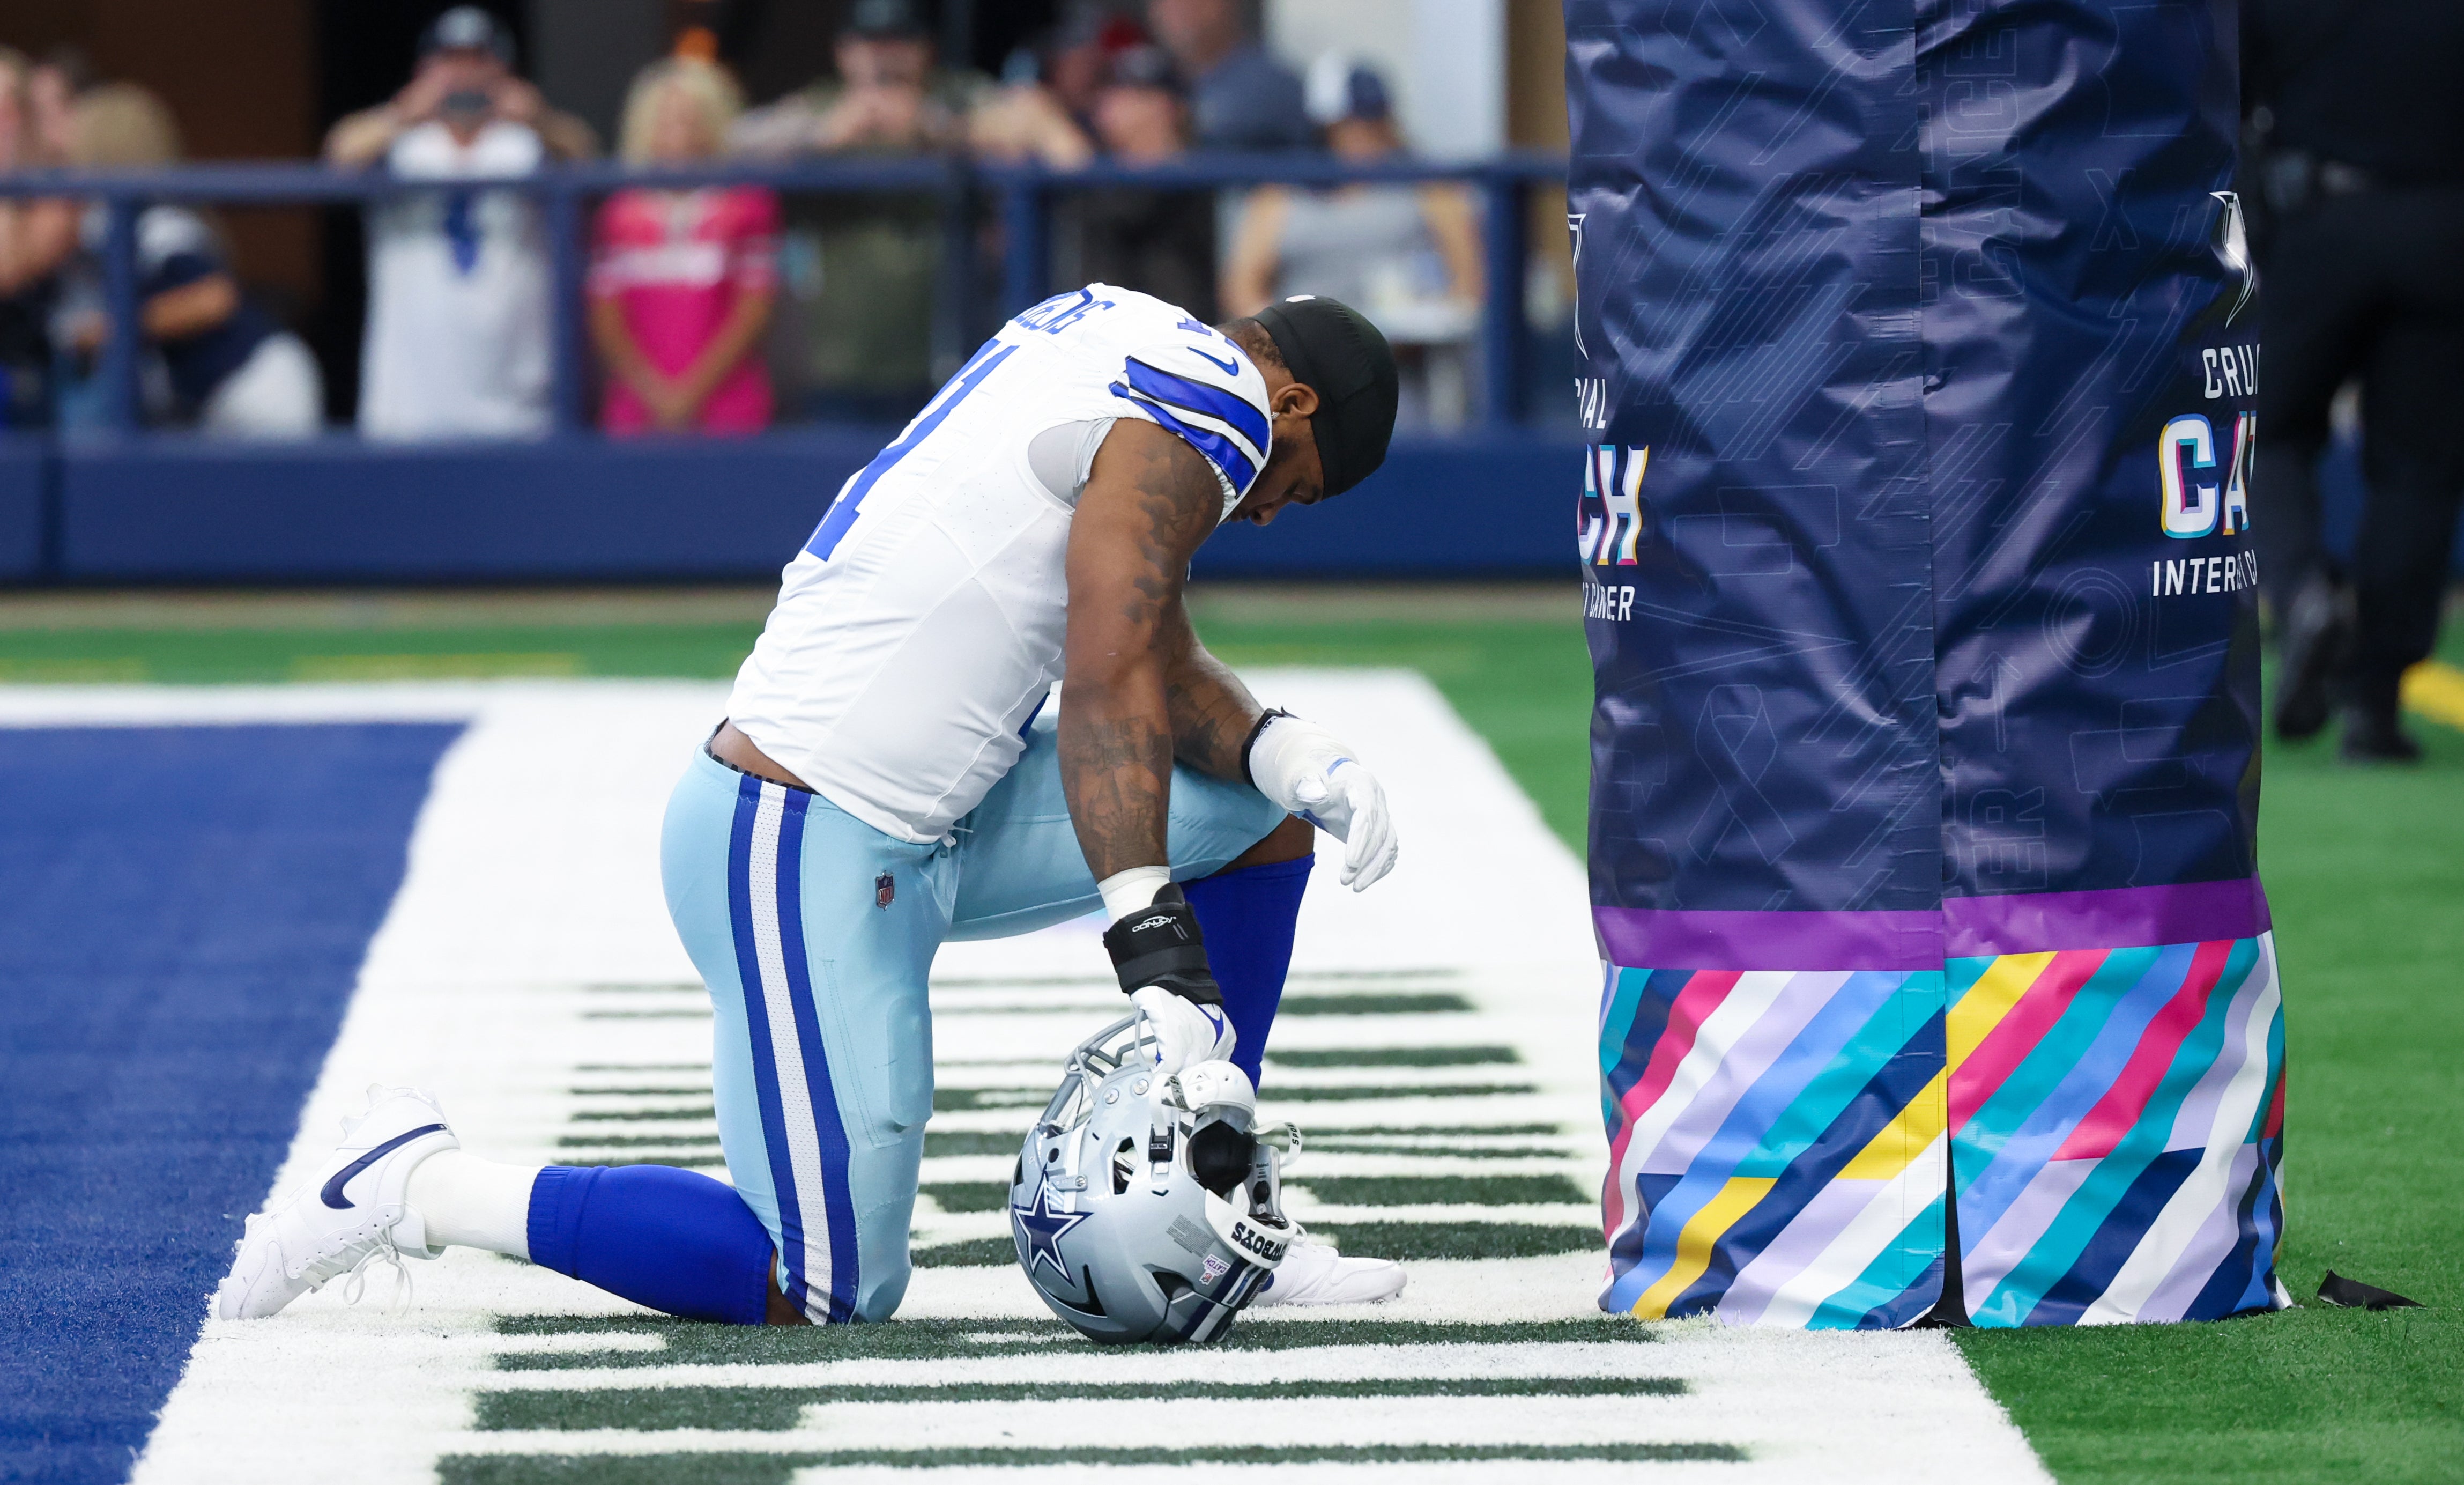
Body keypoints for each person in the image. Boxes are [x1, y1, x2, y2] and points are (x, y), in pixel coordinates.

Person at [219, 285, 1410, 1326]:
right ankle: (416, 1185)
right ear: (1294, 403)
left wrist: (1277, 747)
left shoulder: (1124, 330)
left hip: (931, 813)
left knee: (1261, 816)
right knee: (819, 1285)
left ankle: (1218, 1188)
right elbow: (1106, 672)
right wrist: (1151, 934)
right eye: (1293, 492)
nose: (1264, 510)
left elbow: (1140, 637)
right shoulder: (1221, 409)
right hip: (800, 836)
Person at [2245, 2, 2464, 763]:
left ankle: (2302, 596)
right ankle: (2375, 706)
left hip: (2318, 227)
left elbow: (2230, 93)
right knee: (2418, 477)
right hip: (2444, 233)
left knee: (2266, 435)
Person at [324, 6, 596, 440]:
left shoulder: (526, 142)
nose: (465, 74)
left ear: (503, 70)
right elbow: (339, 154)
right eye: (451, 61)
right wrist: (401, 114)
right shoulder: (403, 144)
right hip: (412, 400)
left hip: (515, 397)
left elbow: (586, 157)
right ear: (425, 69)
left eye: (478, 60)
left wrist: (539, 120)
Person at [730, 0, 985, 424]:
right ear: (843, 52)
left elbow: (1024, 125)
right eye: (869, 42)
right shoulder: (821, 105)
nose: (883, 55)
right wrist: (822, 138)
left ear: (926, 49)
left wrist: (931, 127)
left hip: (946, 360)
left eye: (899, 42)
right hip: (836, 360)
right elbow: (732, 144)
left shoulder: (953, 95)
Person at [47, 84, 323, 437]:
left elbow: (213, 298)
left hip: (255, 383)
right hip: (211, 403)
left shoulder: (159, 221)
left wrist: (115, 329)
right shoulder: (101, 220)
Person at [1222, 57, 1482, 427]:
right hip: (1300, 371)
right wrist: (1297, 343)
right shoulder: (1281, 197)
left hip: (1395, 365)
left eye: (1372, 123)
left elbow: (1471, 280)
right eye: (1348, 126)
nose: (1363, 137)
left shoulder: (1425, 186)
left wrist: (1425, 319)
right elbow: (1241, 289)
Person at [589, 57, 778, 436]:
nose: (680, 134)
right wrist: (656, 395)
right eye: (666, 120)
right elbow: (606, 318)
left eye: (692, 119)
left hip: (729, 411)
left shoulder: (748, 206)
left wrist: (690, 394)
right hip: (637, 415)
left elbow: (753, 312)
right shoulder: (619, 213)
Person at [1052, 45, 1219, 322]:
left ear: (1165, 107)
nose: (1111, 103)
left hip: (1171, 339)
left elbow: (1130, 211)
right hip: (1106, 335)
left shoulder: (1184, 175)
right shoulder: (1109, 167)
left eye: (1133, 95)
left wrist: (1058, 141)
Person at [0, 48, 75, 428]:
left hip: (28, 375)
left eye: (10, 111)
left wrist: (11, 167)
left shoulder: (56, 194)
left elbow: (8, 271)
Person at [1145, 0, 1309, 153]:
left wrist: (1176, 131)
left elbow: (1229, 123)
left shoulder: (1270, 81)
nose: (1178, 6)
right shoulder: (1152, 75)